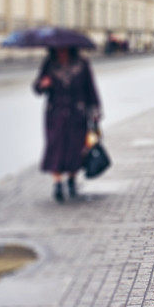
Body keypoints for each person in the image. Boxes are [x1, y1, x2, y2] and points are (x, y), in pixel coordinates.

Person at [33, 46, 102, 202]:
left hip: (77, 113)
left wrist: (95, 112)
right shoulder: (49, 63)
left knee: (75, 148)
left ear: (71, 49)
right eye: (58, 50)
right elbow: (37, 88)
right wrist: (42, 85)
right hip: (55, 114)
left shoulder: (82, 63)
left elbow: (91, 89)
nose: (61, 51)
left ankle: (71, 180)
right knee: (55, 147)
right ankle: (57, 184)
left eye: (64, 49)